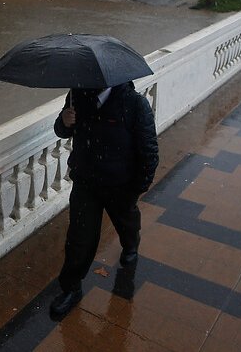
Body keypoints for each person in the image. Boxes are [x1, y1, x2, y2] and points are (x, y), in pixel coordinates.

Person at [49, 82, 159, 319]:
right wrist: (65, 122)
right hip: (85, 182)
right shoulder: (77, 94)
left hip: (120, 184)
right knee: (79, 239)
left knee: (125, 222)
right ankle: (71, 288)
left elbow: (149, 150)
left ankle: (131, 244)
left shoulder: (135, 104)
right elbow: (61, 130)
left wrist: (138, 188)